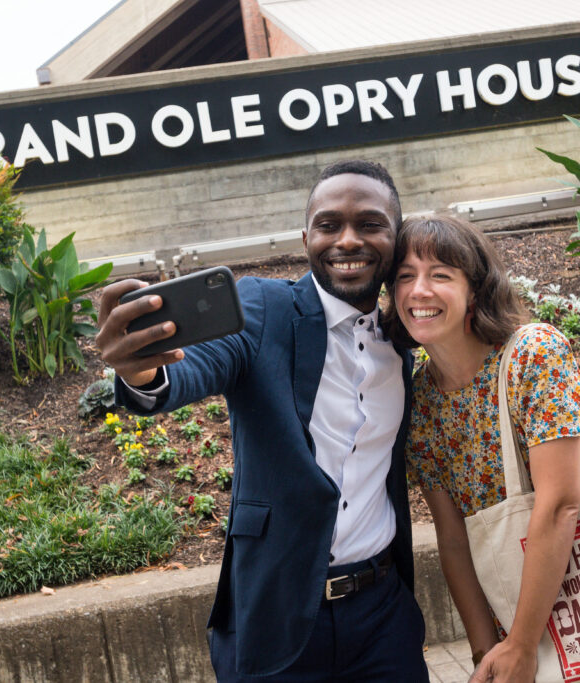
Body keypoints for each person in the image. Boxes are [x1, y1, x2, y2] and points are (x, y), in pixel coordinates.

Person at [95, 160, 428, 681]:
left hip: (383, 615)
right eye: (328, 225)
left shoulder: (401, 343)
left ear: (394, 236)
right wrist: (143, 372)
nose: (347, 240)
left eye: (369, 224)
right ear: (305, 237)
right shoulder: (263, 308)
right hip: (278, 617)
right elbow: (196, 366)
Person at [383, 214, 580, 683]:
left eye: (440, 275)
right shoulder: (420, 400)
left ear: (474, 289)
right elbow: (453, 539)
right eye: (404, 277)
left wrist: (521, 644)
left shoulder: (533, 355)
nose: (419, 291)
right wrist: (485, 653)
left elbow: (561, 504)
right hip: (505, 629)